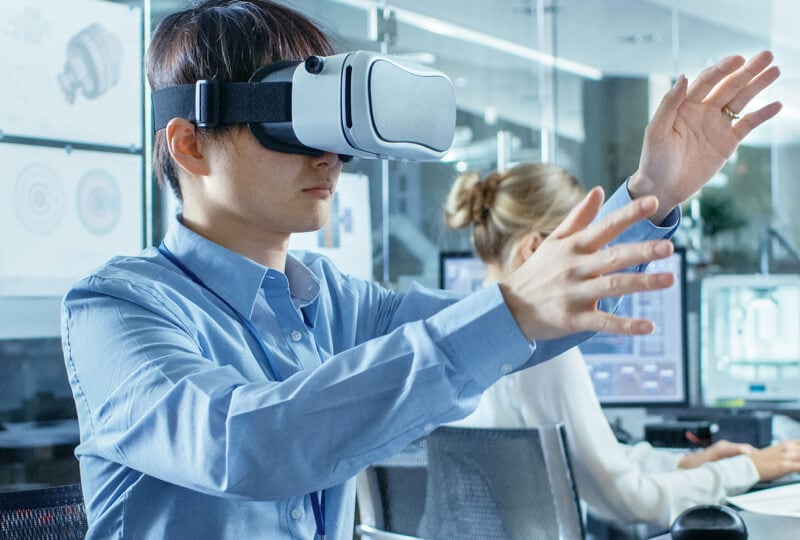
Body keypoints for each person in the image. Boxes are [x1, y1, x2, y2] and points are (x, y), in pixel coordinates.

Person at [59, 0, 782, 538]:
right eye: (292, 123)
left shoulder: (336, 306)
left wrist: (652, 194)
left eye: (334, 132)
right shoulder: (117, 310)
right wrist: (508, 310)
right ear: (188, 145)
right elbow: (244, 444)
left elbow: (529, 329)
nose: (328, 158)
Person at [445, 162, 800, 529]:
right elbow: (632, 500)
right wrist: (749, 468)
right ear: (535, 249)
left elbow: (586, 461)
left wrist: (683, 463)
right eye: (585, 251)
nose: (597, 271)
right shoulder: (538, 350)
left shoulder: (455, 335)